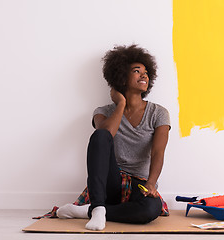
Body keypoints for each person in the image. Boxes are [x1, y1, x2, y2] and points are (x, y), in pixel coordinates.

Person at [56, 44, 171, 231]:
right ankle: (99, 207)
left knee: (151, 209)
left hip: (140, 185)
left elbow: (158, 151)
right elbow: (104, 136)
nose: (144, 75)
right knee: (100, 135)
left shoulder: (159, 113)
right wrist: (121, 104)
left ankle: (90, 211)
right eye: (137, 71)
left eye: (146, 72)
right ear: (122, 78)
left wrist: (151, 184)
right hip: (111, 182)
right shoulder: (102, 112)